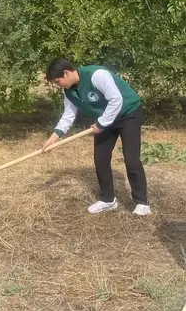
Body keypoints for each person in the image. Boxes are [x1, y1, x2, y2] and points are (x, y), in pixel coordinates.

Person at [43, 57, 151, 215]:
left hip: (128, 114)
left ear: (66, 73)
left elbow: (116, 100)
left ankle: (142, 203)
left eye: (57, 81)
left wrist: (101, 123)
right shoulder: (69, 91)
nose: (58, 86)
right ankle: (108, 199)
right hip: (104, 120)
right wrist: (52, 139)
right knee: (100, 159)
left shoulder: (97, 75)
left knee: (131, 159)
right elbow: (68, 116)